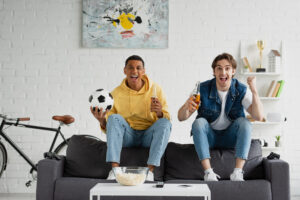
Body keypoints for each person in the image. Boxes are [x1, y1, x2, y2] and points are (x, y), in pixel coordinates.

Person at [178, 53, 263, 181]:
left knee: (245, 122)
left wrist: (254, 90)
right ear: (214, 71)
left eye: (227, 68)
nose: (223, 72)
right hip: (210, 138)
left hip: (231, 138)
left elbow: (259, 116)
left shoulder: (241, 89)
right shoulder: (202, 89)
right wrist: (186, 105)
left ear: (233, 71)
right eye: (219, 68)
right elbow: (181, 117)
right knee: (199, 122)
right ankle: (208, 172)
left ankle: (238, 172)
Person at [91, 55, 172, 181]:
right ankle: (115, 170)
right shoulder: (116, 93)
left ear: (143, 71)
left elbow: (166, 118)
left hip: (148, 135)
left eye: (138, 68)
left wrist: (160, 112)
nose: (134, 71)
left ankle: (149, 172)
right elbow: (113, 128)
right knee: (113, 118)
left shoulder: (156, 89)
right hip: (128, 135)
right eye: (131, 68)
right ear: (125, 71)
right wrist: (102, 120)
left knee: (165, 123)